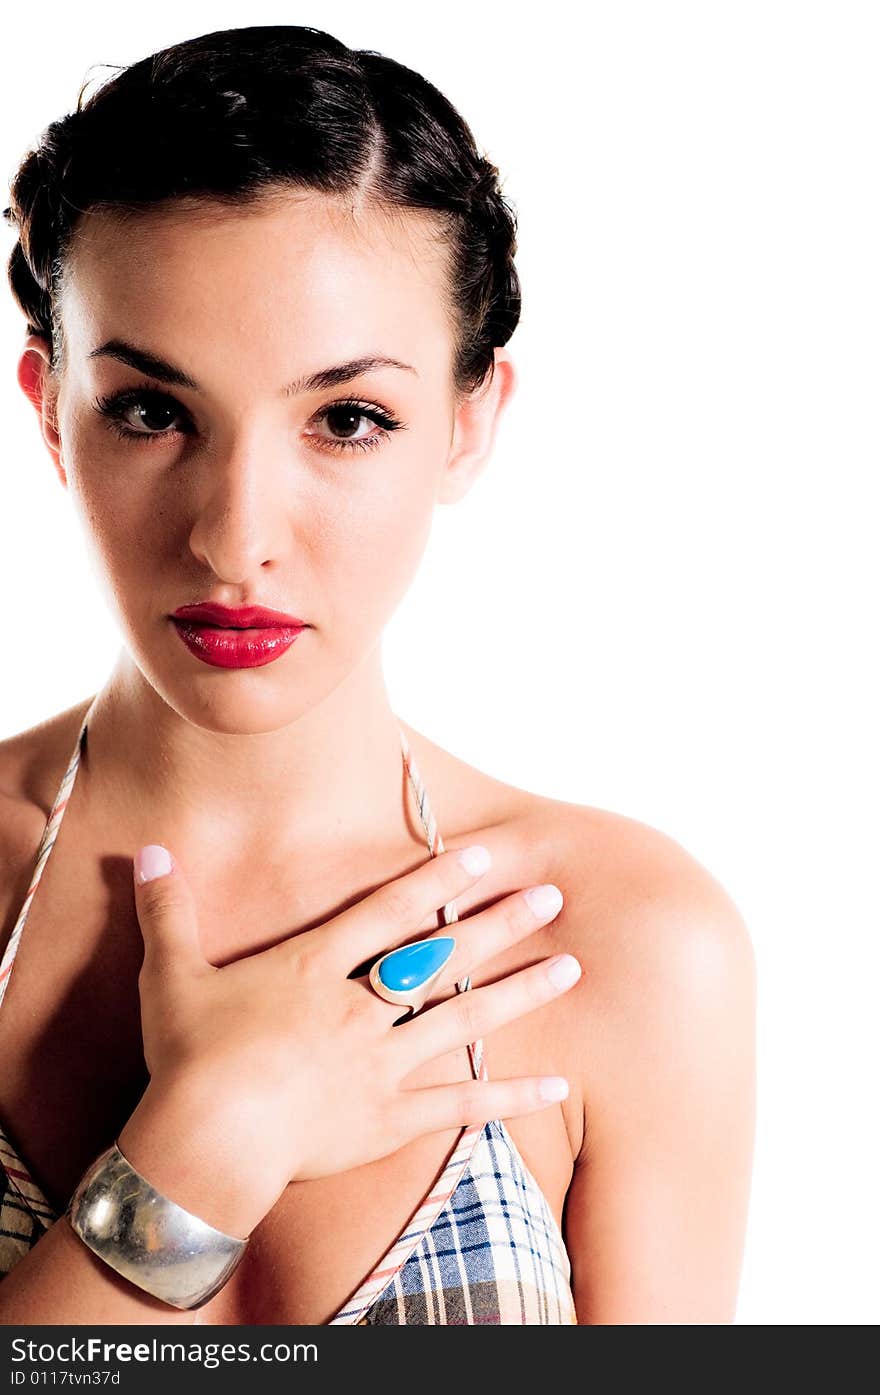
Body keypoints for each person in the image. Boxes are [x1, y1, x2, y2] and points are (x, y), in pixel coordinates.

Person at [0, 24, 756, 1326]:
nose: (236, 537)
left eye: (347, 419)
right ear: (49, 409)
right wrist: (210, 1143)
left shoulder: (631, 951)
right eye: (151, 411)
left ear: (469, 425)